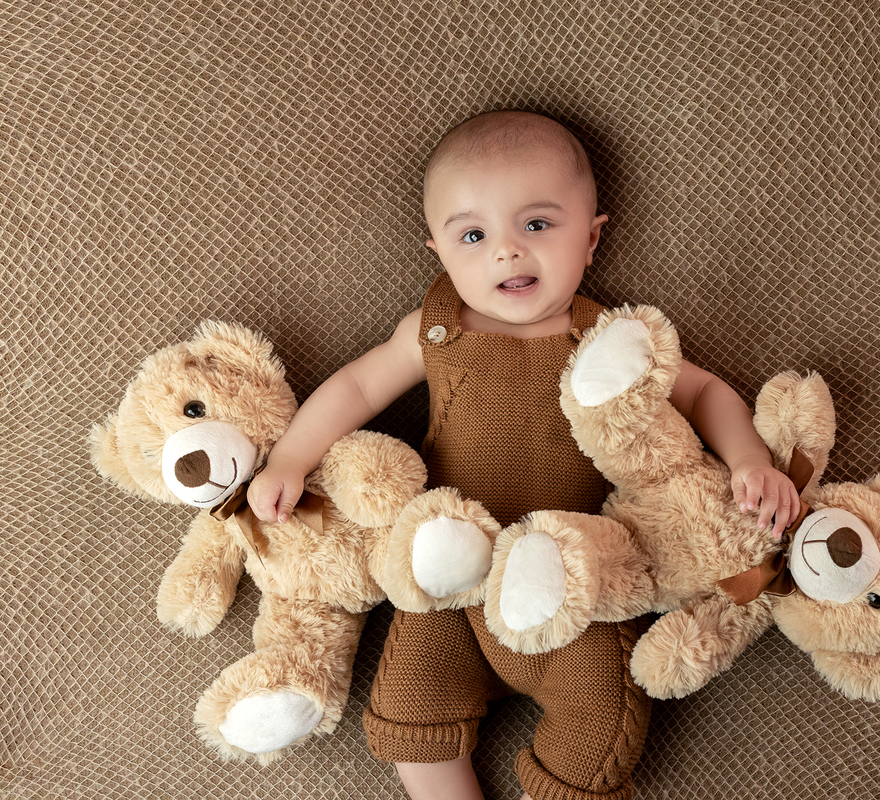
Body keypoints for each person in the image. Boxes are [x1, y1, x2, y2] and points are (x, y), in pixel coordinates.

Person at [248, 110, 802, 800]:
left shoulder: (611, 344)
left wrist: (748, 459)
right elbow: (357, 387)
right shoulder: (434, 331)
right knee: (411, 709)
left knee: (602, 727)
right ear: (440, 253)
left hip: (577, 592)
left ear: (590, 238)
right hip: (452, 585)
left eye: (536, 225)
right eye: (473, 236)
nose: (506, 253)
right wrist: (291, 459)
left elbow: (705, 391)